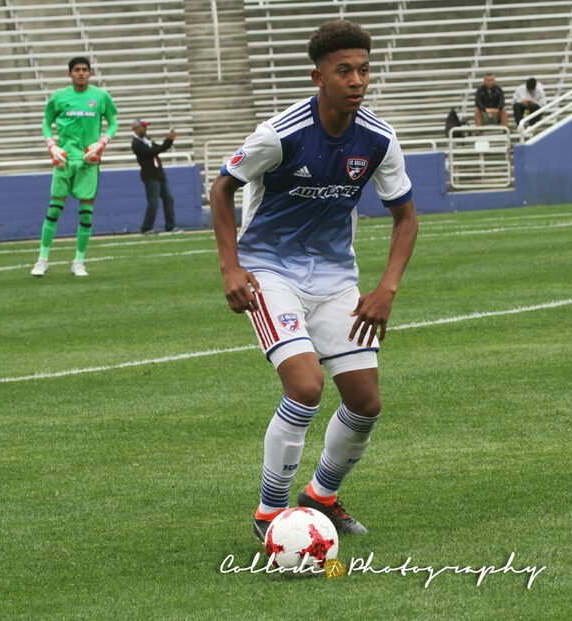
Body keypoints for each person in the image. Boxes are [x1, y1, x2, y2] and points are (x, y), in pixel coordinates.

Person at [209, 19, 418, 541]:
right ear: (317, 77)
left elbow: (406, 218)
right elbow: (221, 189)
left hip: (334, 278)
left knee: (366, 402)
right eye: (343, 70)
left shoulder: (377, 139)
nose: (357, 80)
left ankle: (320, 496)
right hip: (269, 271)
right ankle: (269, 513)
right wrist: (231, 267)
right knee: (305, 386)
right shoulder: (280, 134)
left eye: (363, 70)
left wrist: (386, 288)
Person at [31, 56, 118, 277]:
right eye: (77, 70)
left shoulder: (100, 96)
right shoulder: (59, 97)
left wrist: (101, 142)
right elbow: (46, 122)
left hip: (88, 161)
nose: (81, 73)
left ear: (90, 73)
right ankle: (42, 259)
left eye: (84, 70)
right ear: (69, 73)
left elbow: (114, 121)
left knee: (86, 214)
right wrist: (52, 146)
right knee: (53, 210)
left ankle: (79, 261)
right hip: (64, 159)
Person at [131, 119, 181, 234]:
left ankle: (170, 226)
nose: (145, 129)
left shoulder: (146, 139)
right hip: (150, 176)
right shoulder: (136, 143)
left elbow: (159, 148)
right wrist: (168, 140)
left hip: (159, 174)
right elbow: (153, 151)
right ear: (136, 128)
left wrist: (169, 141)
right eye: (143, 127)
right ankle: (146, 228)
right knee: (153, 203)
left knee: (169, 199)